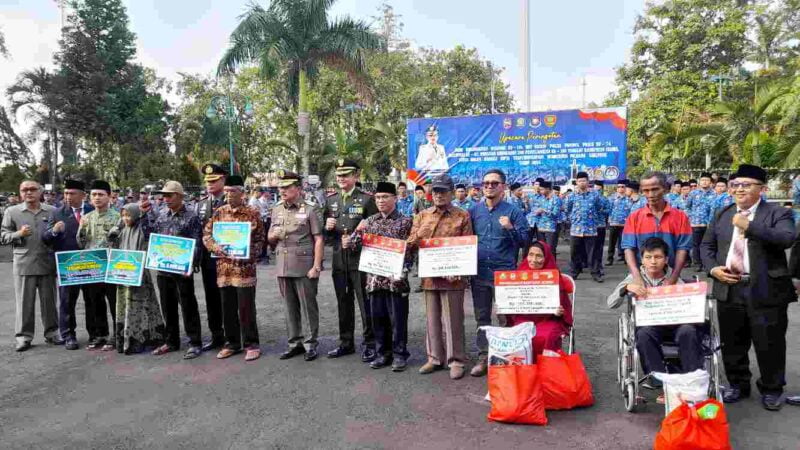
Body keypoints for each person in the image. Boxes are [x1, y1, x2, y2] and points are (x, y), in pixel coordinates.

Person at [701, 164, 795, 411]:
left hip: (765, 288)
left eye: (746, 185)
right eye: (735, 185)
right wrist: (713, 269)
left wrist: (748, 225)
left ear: (762, 189)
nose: (739, 189)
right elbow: (706, 247)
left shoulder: (777, 213)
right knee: (733, 342)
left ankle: (772, 389)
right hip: (729, 287)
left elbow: (786, 239)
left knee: (769, 342)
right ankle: (738, 385)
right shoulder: (722, 213)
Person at [608, 237, 703, 403]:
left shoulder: (675, 279)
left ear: (666, 259)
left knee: (689, 330)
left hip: (675, 324)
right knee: (644, 334)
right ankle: (660, 383)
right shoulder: (634, 278)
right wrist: (626, 288)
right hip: (649, 326)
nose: (653, 262)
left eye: (658, 257)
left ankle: (691, 381)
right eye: (648, 257)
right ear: (642, 260)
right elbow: (611, 303)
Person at [407, 174, 473, 379]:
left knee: (453, 319)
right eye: (435, 191)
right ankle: (434, 358)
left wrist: (460, 271)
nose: (438, 195)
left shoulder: (462, 215)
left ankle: (456, 360)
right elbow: (409, 244)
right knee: (432, 319)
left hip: (453, 276)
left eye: (443, 191)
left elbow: (468, 245)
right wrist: (421, 233)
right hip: (429, 275)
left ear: (451, 193)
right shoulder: (422, 215)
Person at [468, 169, 529, 376]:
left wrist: (510, 228)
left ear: (503, 186)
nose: (489, 186)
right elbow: (465, 240)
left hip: (504, 275)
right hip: (480, 273)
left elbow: (525, 242)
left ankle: (507, 358)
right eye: (486, 183)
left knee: (506, 318)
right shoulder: (474, 211)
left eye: (494, 183)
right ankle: (483, 358)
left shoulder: (513, 212)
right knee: (482, 318)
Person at [348, 181, 414, 371]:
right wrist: (358, 229)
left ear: (394, 198)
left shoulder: (405, 221)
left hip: (396, 280)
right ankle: (382, 353)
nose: (381, 201)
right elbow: (352, 246)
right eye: (378, 197)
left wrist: (403, 270)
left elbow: (411, 252)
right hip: (374, 280)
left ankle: (400, 354)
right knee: (378, 318)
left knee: (398, 319)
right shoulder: (370, 222)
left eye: (385, 197)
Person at [203, 175, 265, 362]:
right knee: (227, 308)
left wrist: (247, 253)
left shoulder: (252, 213)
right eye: (227, 191)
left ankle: (251, 344)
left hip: (244, 270)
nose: (229, 195)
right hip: (224, 270)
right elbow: (207, 235)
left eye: (233, 191)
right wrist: (216, 247)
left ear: (242, 193)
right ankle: (232, 343)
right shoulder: (219, 212)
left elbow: (260, 240)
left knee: (246, 308)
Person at [323, 158, 379, 361]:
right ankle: (345, 342)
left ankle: (371, 343)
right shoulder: (331, 200)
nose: (341, 178)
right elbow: (327, 237)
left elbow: (376, 231)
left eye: (346, 174)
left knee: (365, 303)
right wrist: (327, 227)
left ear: (356, 176)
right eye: (338, 175)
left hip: (361, 260)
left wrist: (358, 237)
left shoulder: (367, 199)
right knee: (343, 303)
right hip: (339, 261)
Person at [267, 170, 324, 362]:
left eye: (286, 187)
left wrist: (316, 266)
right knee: (289, 306)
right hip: (283, 265)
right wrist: (271, 237)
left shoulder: (310, 209)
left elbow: (318, 239)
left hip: (304, 264)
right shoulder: (276, 209)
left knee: (308, 306)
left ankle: (310, 344)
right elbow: (270, 237)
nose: (282, 190)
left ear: (298, 189)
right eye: (280, 187)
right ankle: (295, 343)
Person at [144, 181, 204, 360]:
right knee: (167, 306)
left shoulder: (192, 216)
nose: (165, 199)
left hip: (181, 270)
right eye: (164, 196)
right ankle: (171, 341)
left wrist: (191, 263)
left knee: (187, 306)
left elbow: (197, 242)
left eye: (169, 196)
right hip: (163, 269)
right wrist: (143, 216)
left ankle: (195, 342)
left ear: (179, 196)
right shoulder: (161, 214)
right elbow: (152, 236)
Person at [1, 180, 58, 351]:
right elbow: (3, 236)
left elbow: (58, 236)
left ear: (40, 192)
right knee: (25, 303)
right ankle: (24, 337)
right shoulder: (12, 211)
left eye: (32, 189)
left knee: (49, 302)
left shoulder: (52, 211)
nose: (28, 192)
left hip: (46, 262)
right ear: (20, 193)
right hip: (24, 263)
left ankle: (52, 333)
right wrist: (19, 233)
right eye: (24, 190)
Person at [42, 179, 94, 350]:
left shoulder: (92, 210)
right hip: (68, 265)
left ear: (83, 195)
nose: (68, 197)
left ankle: (95, 334)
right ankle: (68, 335)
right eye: (65, 193)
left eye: (72, 193)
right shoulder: (57, 213)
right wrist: (54, 231)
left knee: (92, 300)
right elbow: (45, 238)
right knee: (67, 301)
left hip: (91, 263)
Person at [109, 203, 166, 354]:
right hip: (123, 273)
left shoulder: (142, 229)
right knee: (125, 306)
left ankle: (146, 337)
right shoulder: (120, 230)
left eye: (128, 215)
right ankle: (127, 338)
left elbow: (150, 245)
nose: (126, 218)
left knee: (142, 305)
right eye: (123, 215)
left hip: (139, 274)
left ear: (135, 215)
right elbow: (113, 247)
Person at [621, 171, 691, 285]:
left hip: (670, 276)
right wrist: (636, 276)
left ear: (665, 189)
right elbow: (628, 248)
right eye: (646, 190)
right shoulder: (634, 217)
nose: (650, 194)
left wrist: (673, 277)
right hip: (641, 276)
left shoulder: (681, 217)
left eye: (655, 189)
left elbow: (682, 249)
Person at [506, 241, 573, 356]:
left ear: (546, 257)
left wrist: (559, 311)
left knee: (546, 336)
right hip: (523, 319)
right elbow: (512, 304)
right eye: (531, 254)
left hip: (549, 319)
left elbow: (564, 307)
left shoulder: (553, 276)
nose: (534, 259)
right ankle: (523, 370)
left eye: (539, 256)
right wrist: (504, 306)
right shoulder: (519, 274)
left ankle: (546, 369)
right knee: (518, 334)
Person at [77, 180, 120, 351]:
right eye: (94, 195)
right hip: (92, 267)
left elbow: (122, 242)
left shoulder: (118, 217)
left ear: (109, 197)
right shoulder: (86, 218)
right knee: (95, 302)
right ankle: (99, 335)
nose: (97, 198)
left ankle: (117, 336)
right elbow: (81, 243)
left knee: (114, 302)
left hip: (111, 266)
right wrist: (81, 230)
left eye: (101, 194)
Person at [195, 163, 227, 351]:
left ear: (223, 179)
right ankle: (216, 335)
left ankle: (232, 335)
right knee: (211, 298)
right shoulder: (200, 205)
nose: (210, 184)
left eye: (214, 180)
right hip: (208, 260)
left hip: (228, 258)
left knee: (228, 299)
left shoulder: (232, 201)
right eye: (208, 181)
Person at [565, 171, 605, 283]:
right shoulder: (571, 196)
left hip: (590, 229)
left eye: (584, 180)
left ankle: (595, 273)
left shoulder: (595, 195)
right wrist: (573, 219)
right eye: (580, 181)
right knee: (574, 252)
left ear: (588, 182)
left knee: (593, 253)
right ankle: (574, 272)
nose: (582, 183)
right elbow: (567, 209)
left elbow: (599, 208)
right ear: (576, 182)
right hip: (576, 229)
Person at [686, 172, 715, 272]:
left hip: (708, 224)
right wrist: (692, 216)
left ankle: (707, 264)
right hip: (696, 223)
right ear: (699, 181)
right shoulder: (693, 193)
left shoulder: (714, 194)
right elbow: (687, 206)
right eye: (702, 180)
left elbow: (713, 210)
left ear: (710, 182)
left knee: (707, 245)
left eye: (707, 180)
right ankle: (698, 263)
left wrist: (710, 222)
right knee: (696, 244)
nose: (704, 182)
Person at [606, 179, 631, 266]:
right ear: (616, 188)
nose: (621, 188)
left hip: (625, 224)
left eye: (623, 187)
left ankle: (625, 258)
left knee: (624, 242)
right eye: (619, 187)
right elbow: (608, 209)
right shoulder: (612, 198)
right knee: (612, 242)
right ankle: (610, 258)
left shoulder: (629, 199)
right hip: (614, 223)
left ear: (625, 188)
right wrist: (609, 220)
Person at [533, 181, 560, 252]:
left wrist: (544, 211)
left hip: (550, 228)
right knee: (542, 249)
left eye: (542, 189)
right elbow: (536, 210)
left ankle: (551, 263)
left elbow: (555, 214)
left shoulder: (556, 199)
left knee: (550, 249)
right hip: (541, 227)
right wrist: (537, 212)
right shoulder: (541, 199)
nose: (540, 191)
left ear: (548, 189)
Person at [591, 180, 611, 279]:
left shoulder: (605, 199)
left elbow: (608, 210)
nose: (597, 191)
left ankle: (598, 266)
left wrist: (602, 211)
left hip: (600, 226)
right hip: (590, 227)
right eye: (595, 188)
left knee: (599, 248)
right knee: (590, 248)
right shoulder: (589, 198)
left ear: (602, 189)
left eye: (599, 189)